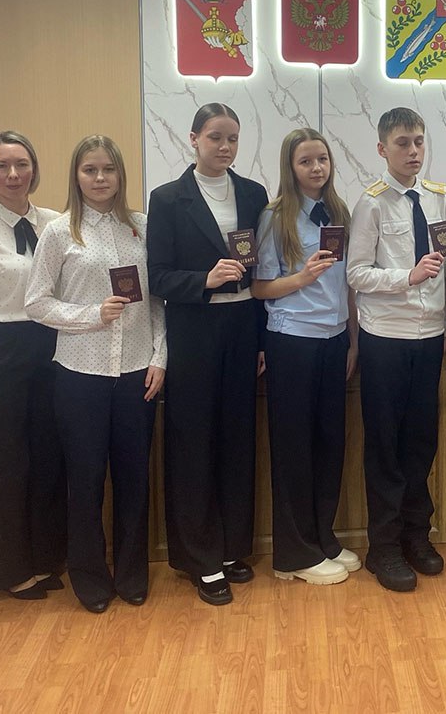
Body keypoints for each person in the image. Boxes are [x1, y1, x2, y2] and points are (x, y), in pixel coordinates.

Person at [25, 135, 166, 613]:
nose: (100, 178)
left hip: (137, 373)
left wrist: (160, 357)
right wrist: (91, 315)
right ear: (76, 176)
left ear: (121, 174)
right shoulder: (59, 232)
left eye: (108, 169)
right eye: (90, 170)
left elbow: (159, 301)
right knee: (85, 481)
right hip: (79, 374)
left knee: (134, 479)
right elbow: (36, 302)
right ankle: (89, 577)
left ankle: (131, 574)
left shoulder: (143, 228)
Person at [146, 103, 268, 607]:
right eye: (215, 137)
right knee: (193, 442)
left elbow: (262, 271)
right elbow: (157, 277)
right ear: (194, 138)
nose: (225, 146)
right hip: (194, 329)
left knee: (238, 438)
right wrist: (205, 279)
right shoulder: (167, 198)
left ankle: (233, 547)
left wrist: (260, 339)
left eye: (233, 138)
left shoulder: (253, 194)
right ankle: (200, 558)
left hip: (242, 326)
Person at [0, 131, 67, 600]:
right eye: (2, 166)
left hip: (53, 347)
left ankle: (44, 558)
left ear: (34, 168)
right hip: (3, 351)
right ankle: (9, 569)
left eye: (21, 164)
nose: (13, 174)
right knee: (5, 465)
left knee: (47, 458)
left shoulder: (56, 222)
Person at [346, 107, 446, 592]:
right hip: (386, 337)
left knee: (421, 443)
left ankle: (416, 536)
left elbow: (445, 266)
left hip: (428, 337)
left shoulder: (437, 197)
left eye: (419, 142)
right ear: (382, 149)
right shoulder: (371, 203)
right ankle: (383, 547)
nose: (413, 151)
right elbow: (356, 274)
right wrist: (405, 277)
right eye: (403, 143)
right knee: (385, 446)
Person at [253, 128, 360, 586]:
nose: (317, 168)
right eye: (306, 161)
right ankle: (293, 555)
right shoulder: (275, 217)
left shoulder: (339, 212)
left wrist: (353, 341)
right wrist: (303, 276)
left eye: (322, 159)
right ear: (290, 167)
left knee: (329, 444)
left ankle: (322, 539)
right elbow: (260, 287)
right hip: (292, 341)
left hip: (334, 341)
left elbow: (348, 283)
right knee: (294, 447)